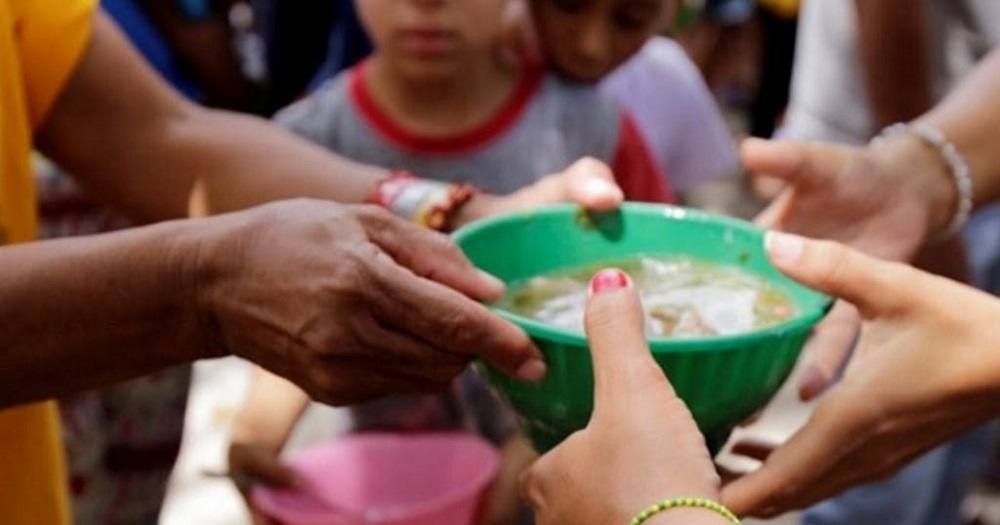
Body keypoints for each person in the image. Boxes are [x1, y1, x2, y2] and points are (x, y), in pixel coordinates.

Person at [0, 2, 623, 524]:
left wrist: (461, 212)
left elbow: (156, 134)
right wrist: (205, 290)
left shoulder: (586, 116)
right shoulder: (321, 120)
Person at [227, 0, 679, 522]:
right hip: (386, 489)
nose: (427, 4)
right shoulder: (297, 150)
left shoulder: (591, 129)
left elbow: (654, 309)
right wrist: (258, 426)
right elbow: (307, 304)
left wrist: (547, 433)